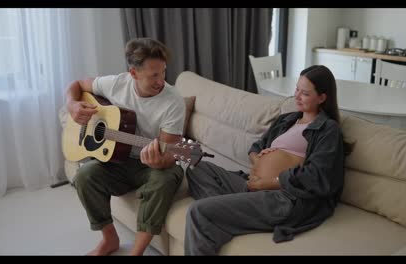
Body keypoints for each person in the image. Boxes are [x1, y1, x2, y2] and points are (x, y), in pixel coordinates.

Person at [184, 65, 352, 255]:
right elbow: (257, 146)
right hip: (252, 186)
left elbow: (317, 176)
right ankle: (229, 211)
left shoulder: (327, 129)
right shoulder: (287, 120)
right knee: (196, 169)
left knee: (199, 212)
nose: (296, 96)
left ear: (322, 97)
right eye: (297, 89)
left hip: (284, 198)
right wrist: (258, 161)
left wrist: (270, 182)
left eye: (304, 93)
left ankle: (222, 214)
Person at [66, 38, 186, 256]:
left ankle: (136, 252)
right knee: (85, 175)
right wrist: (72, 105)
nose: (161, 81)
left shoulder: (174, 102)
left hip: (153, 165)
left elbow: (171, 153)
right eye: (153, 75)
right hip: (120, 160)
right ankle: (109, 239)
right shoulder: (116, 83)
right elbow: (78, 85)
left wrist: (161, 160)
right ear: (133, 73)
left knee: (164, 179)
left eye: (163, 72)